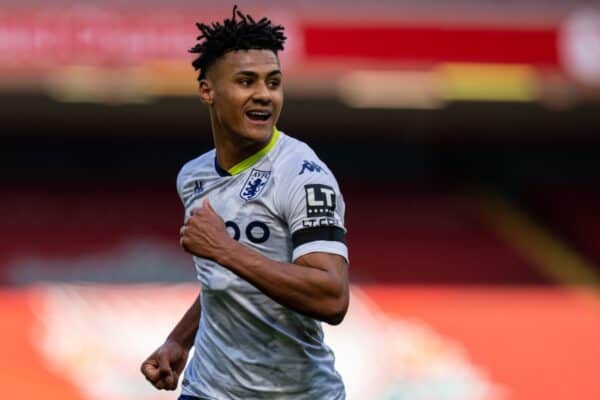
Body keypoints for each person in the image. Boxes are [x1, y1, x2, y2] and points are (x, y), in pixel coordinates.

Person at [140, 6, 349, 399]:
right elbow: (224, 282)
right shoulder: (194, 176)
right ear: (207, 90)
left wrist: (225, 248)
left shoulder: (303, 175)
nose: (264, 95)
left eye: (273, 82)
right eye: (246, 81)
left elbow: (332, 295)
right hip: (208, 390)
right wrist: (180, 341)